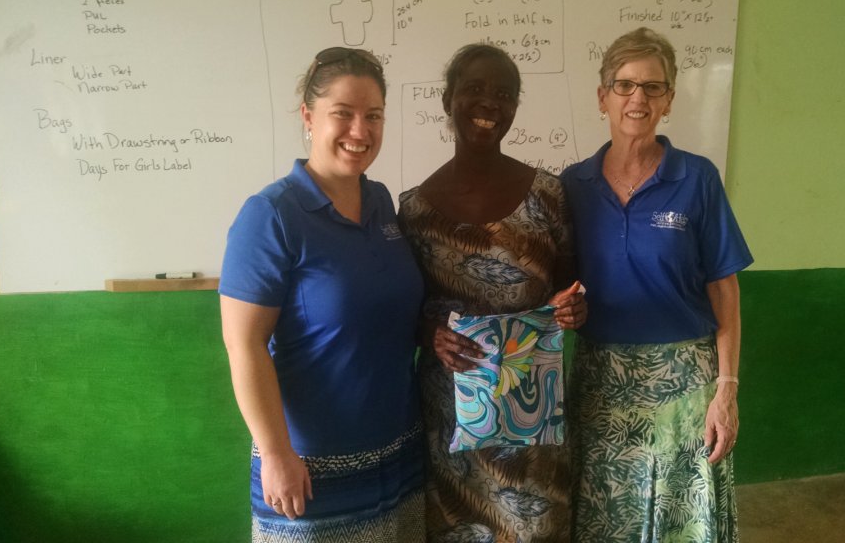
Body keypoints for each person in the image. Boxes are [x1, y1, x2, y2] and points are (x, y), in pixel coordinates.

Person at [218, 47, 425, 542]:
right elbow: (244, 347)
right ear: (309, 117)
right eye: (344, 114)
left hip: (400, 451)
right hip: (310, 466)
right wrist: (276, 455)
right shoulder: (270, 215)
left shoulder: (380, 202)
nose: (361, 131)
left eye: (373, 116)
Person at [560, 27, 753, 542]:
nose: (637, 98)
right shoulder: (572, 185)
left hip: (685, 387)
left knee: (679, 523)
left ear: (668, 99)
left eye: (652, 87)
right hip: (600, 382)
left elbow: (725, 289)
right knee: (604, 517)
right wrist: (569, 306)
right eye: (624, 85)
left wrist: (726, 391)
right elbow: (565, 282)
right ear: (603, 96)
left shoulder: (698, 179)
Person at [397, 43, 586, 543]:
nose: (489, 103)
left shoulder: (548, 194)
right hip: (452, 419)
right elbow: (406, 313)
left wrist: (575, 308)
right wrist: (432, 334)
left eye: (503, 94)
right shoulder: (414, 211)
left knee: (536, 530)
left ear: (515, 109)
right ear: (448, 99)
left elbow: (572, 285)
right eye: (474, 89)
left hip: (532, 417)